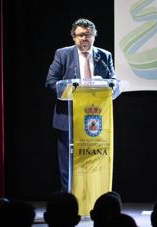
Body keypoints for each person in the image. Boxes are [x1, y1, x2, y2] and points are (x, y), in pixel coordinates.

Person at [45, 18, 116, 191]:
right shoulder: (63, 54)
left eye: (88, 35)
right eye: (80, 35)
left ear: (94, 36)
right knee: (68, 163)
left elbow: (113, 81)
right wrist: (70, 88)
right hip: (68, 117)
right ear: (73, 37)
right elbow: (50, 82)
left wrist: (106, 84)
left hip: (95, 118)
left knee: (93, 160)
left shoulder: (104, 56)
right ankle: (69, 200)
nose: (84, 38)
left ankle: (93, 197)